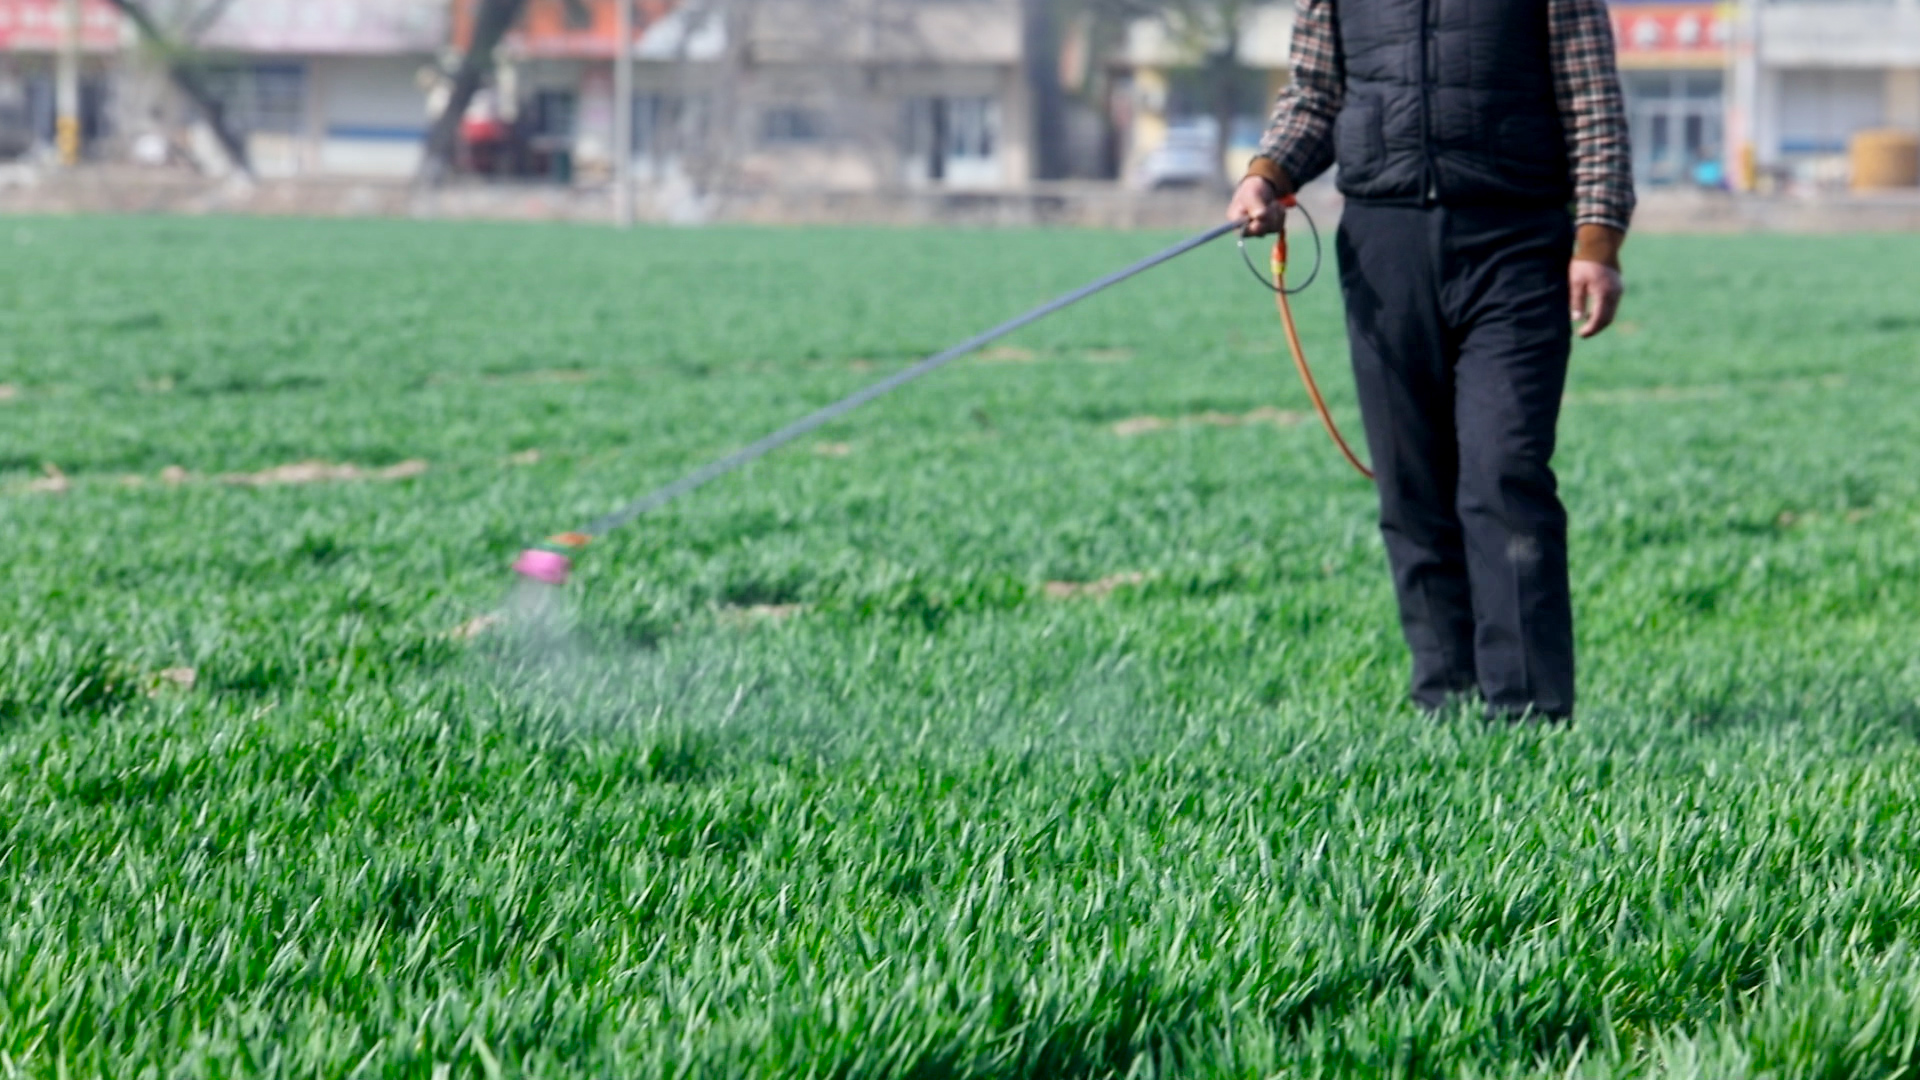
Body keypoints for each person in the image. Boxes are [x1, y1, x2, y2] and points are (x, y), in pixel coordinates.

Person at [1227, 0, 1635, 722]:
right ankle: (1443, 699)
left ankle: (1530, 712)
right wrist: (1268, 173)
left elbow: (1593, 102)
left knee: (1505, 471)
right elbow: (1317, 93)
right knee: (1410, 483)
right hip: (1383, 250)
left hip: (1515, 243)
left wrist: (1596, 241)